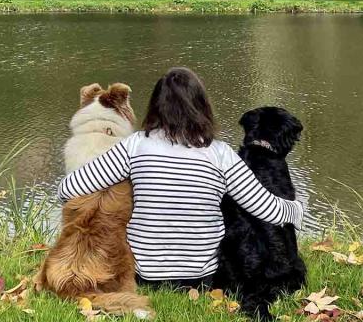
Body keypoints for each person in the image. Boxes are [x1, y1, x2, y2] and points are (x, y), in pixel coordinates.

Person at [57, 66, 304, 290]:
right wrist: (296, 209)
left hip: (145, 275)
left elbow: (69, 189)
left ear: (156, 106)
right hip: (202, 277)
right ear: (202, 106)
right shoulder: (221, 154)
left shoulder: (135, 145)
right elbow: (270, 211)